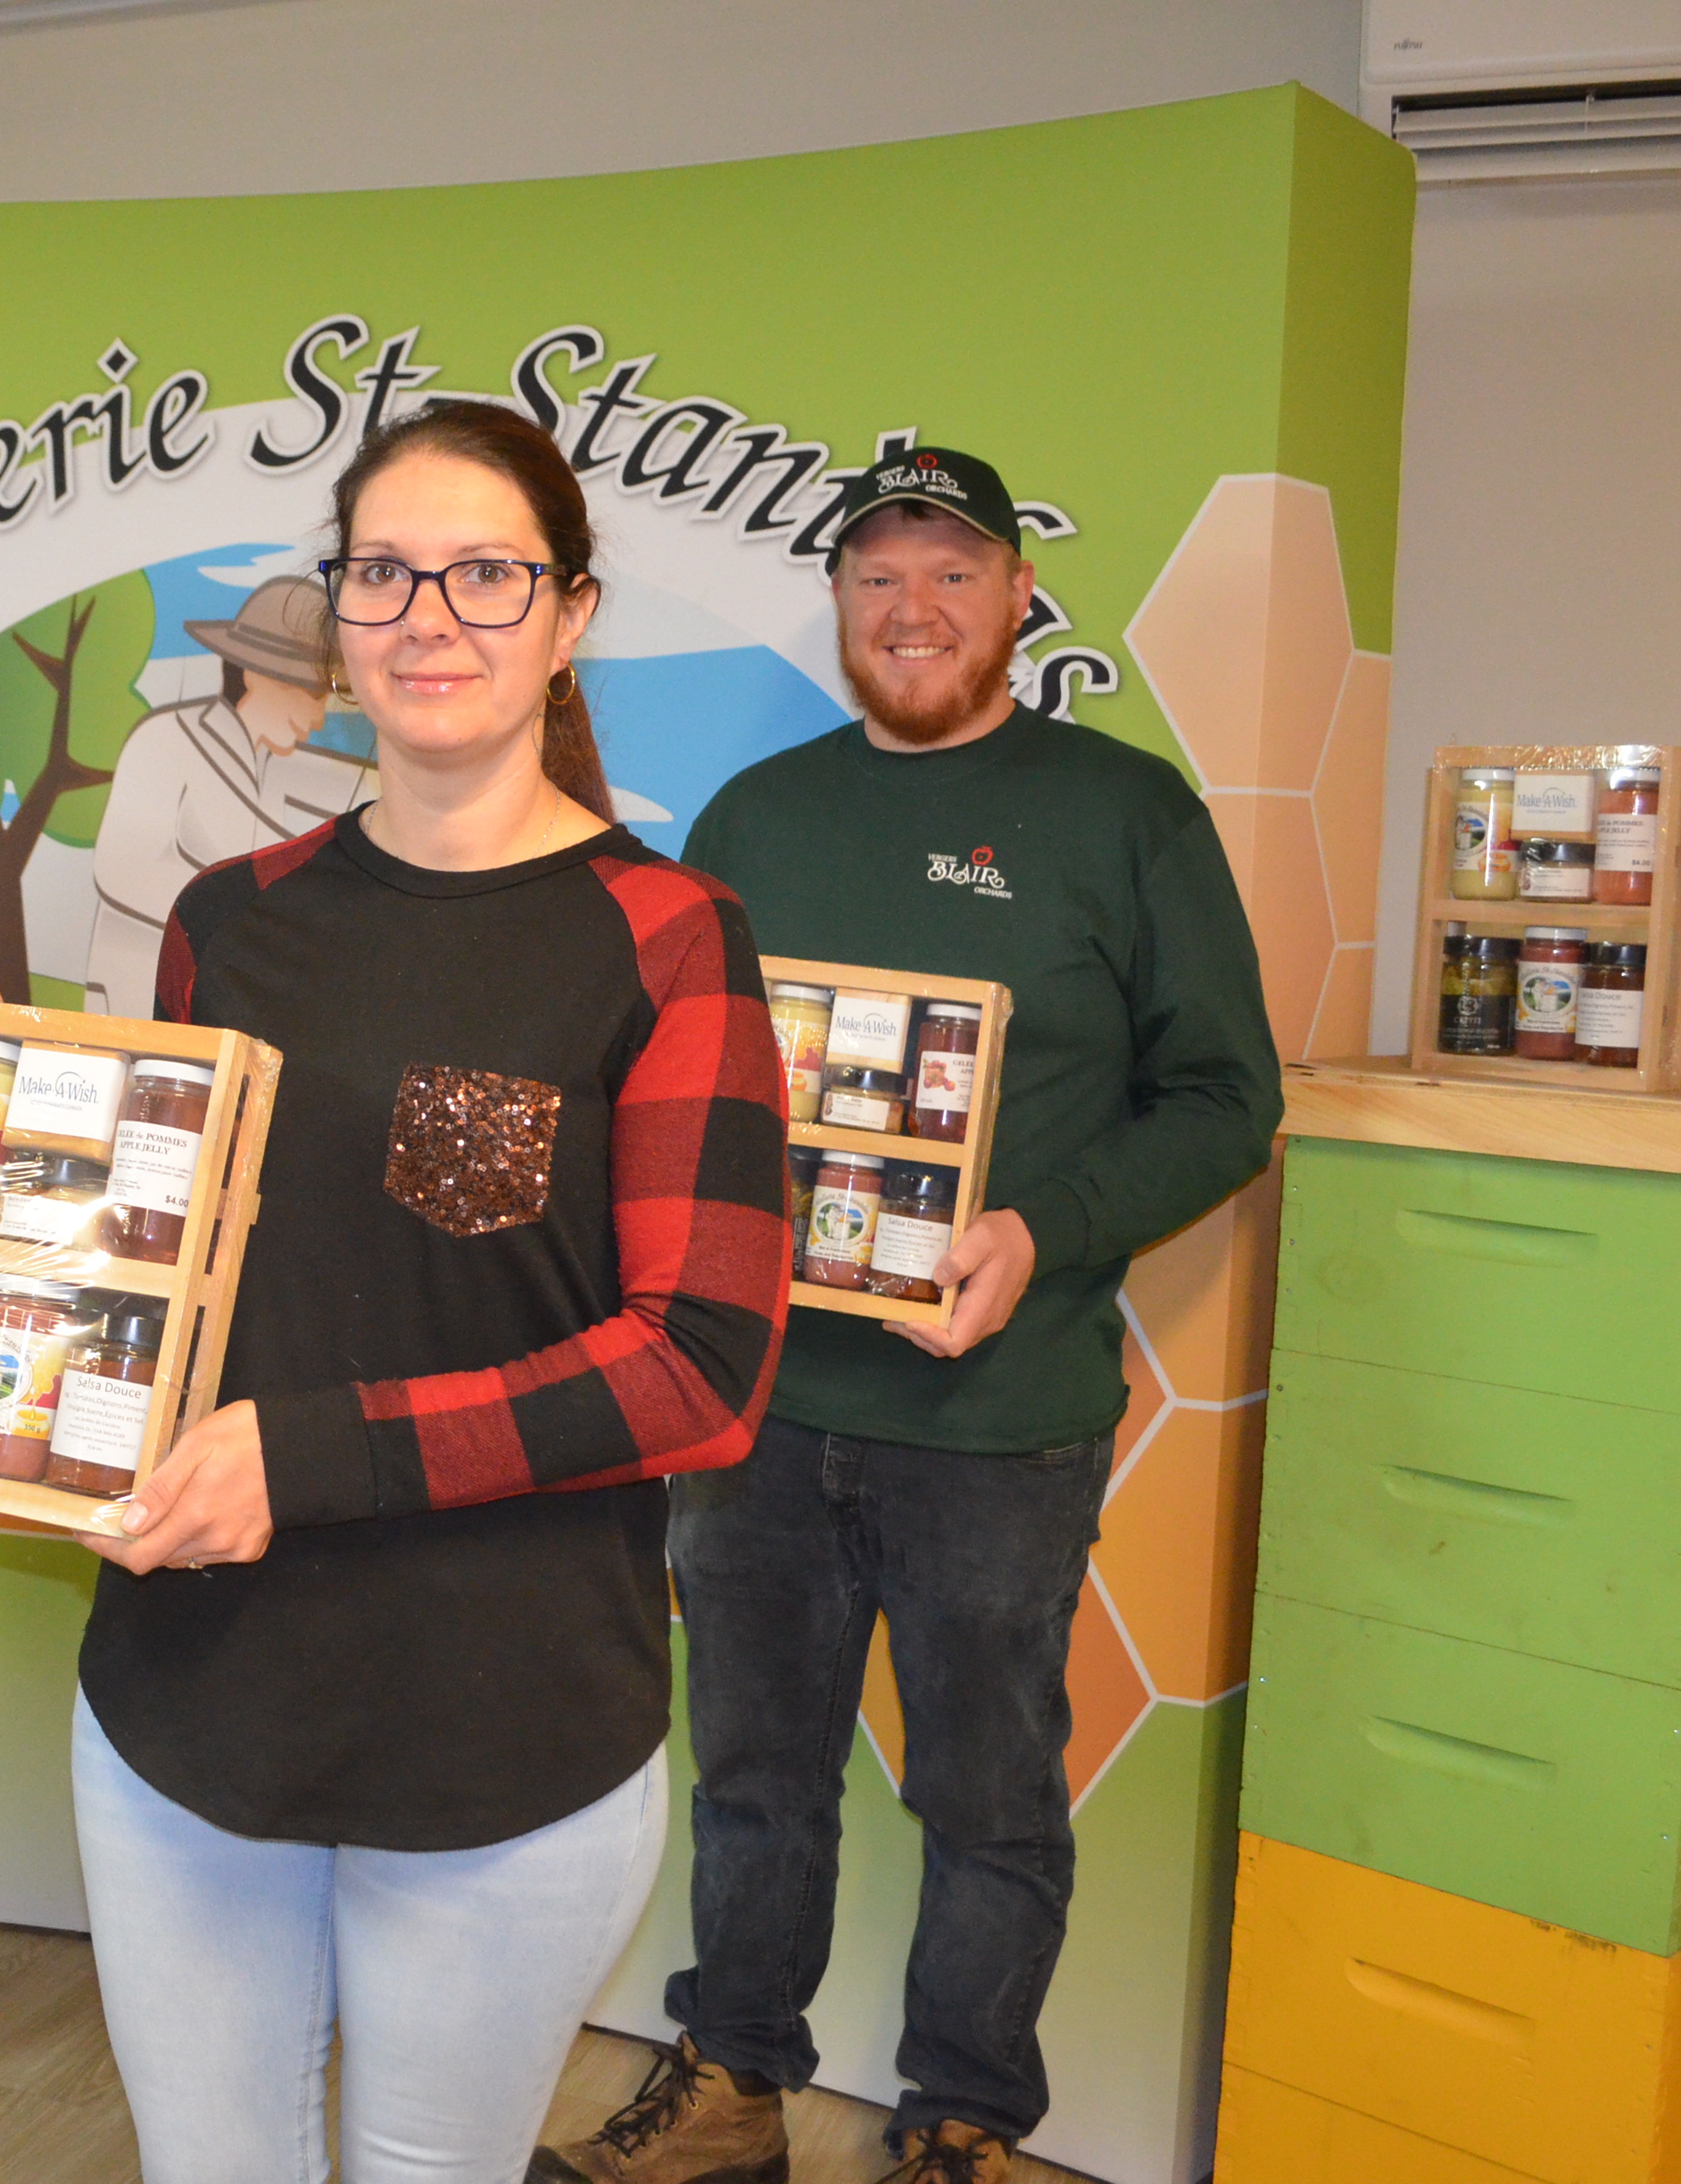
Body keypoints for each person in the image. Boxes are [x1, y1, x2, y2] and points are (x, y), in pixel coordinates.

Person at [0, 399, 788, 2184]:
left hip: (505, 1726)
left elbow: (701, 1369)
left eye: (486, 573)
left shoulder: (670, 936)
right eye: (384, 570)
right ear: (338, 605)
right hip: (192, 1702)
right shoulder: (235, 911)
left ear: (571, 614)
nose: (429, 612)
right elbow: (164, 1245)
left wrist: (302, 1457)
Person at [535, 448, 1280, 2184]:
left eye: (952, 571)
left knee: (990, 1800)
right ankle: (730, 2090)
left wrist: (1041, 1226)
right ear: (844, 605)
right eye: (879, 575)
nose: (915, 607)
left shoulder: (1124, 814)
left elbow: (1227, 1098)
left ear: (1020, 596)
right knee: (754, 1779)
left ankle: (960, 2125)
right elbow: (679, 1087)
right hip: (762, 1403)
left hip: (998, 1426)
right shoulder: (759, 822)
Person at [84, 572, 375, 1017]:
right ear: (256, 675)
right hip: (134, 994)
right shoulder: (166, 737)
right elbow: (123, 870)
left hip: (218, 1009)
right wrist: (261, 920)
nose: (317, 718)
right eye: (310, 694)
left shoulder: (277, 773)